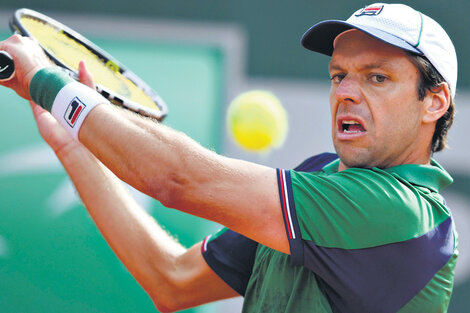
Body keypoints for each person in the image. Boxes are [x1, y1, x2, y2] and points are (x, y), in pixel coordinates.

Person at [0, 3, 458, 313]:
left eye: (377, 78)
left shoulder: (402, 212)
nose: (347, 94)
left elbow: (177, 178)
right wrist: (77, 147)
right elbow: (171, 279)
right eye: (339, 75)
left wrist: (45, 81)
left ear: (434, 102)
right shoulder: (320, 175)